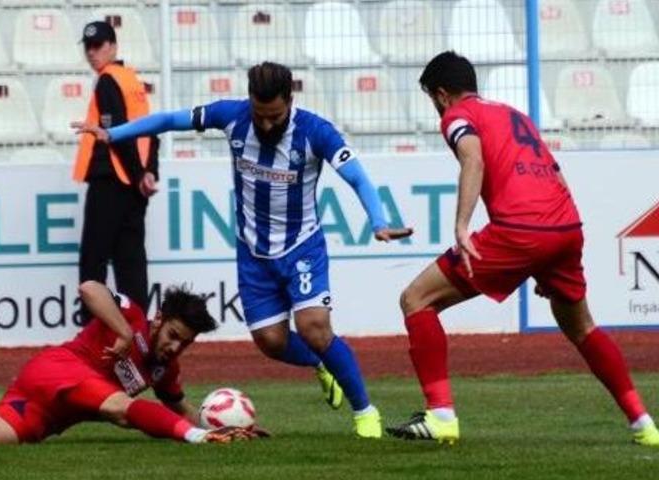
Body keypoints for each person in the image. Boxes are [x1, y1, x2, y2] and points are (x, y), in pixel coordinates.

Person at [73, 62, 414, 438]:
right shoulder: (232, 116)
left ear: (290, 101)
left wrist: (378, 221)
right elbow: (169, 119)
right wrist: (113, 133)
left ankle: (365, 412)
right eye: (260, 115)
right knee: (271, 342)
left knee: (314, 328)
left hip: (301, 246)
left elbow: (357, 176)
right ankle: (322, 364)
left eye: (275, 117)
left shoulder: (316, 131)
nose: (266, 125)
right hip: (253, 254)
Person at [385, 51, 659, 447]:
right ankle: (644, 424)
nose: (436, 109)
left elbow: (473, 160)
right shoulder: (515, 115)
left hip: (520, 229)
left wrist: (462, 226)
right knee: (582, 327)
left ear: (442, 95)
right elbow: (559, 178)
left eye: (433, 100)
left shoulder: (457, 117)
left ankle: (441, 415)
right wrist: (545, 257)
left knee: (416, 299)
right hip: (565, 226)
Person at [0, 282, 266, 446]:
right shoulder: (135, 317)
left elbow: (178, 408)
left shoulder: (164, 370)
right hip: (59, 371)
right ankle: (196, 443)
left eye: (185, 343)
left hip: (49, 410)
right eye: (173, 335)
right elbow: (90, 289)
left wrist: (222, 427)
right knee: (122, 410)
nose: (175, 347)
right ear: (158, 322)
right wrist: (121, 331)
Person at [72, 20, 159, 311]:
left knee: (93, 261)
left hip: (111, 181)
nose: (92, 52)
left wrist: (137, 176)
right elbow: (150, 133)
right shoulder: (131, 80)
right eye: (88, 47)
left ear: (113, 46)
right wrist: (147, 174)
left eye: (98, 46)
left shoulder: (109, 80)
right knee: (130, 261)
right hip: (133, 187)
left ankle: (91, 333)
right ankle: (138, 335)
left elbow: (117, 134)